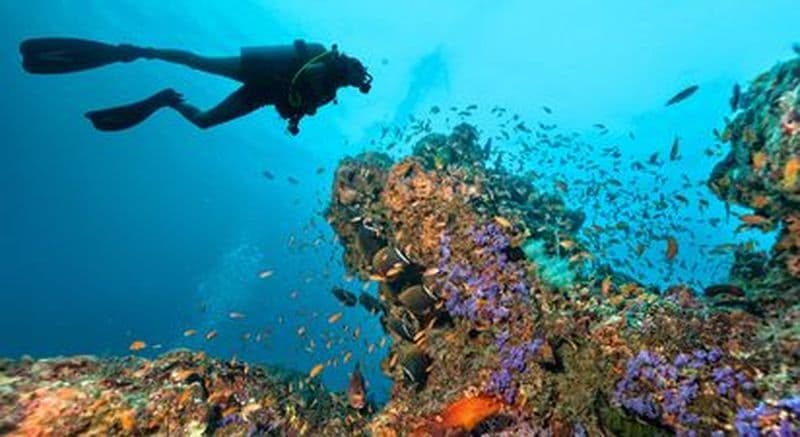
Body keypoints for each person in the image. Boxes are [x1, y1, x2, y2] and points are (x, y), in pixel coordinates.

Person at [20, 37, 372, 135]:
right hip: (260, 69)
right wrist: (306, 100)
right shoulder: (324, 59)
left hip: (262, 93)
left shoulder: (331, 94)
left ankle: (167, 101)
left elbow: (296, 107)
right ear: (352, 66)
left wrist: (299, 112)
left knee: (203, 121)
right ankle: (142, 52)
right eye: (359, 75)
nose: (358, 82)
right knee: (198, 61)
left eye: (359, 81)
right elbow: (304, 81)